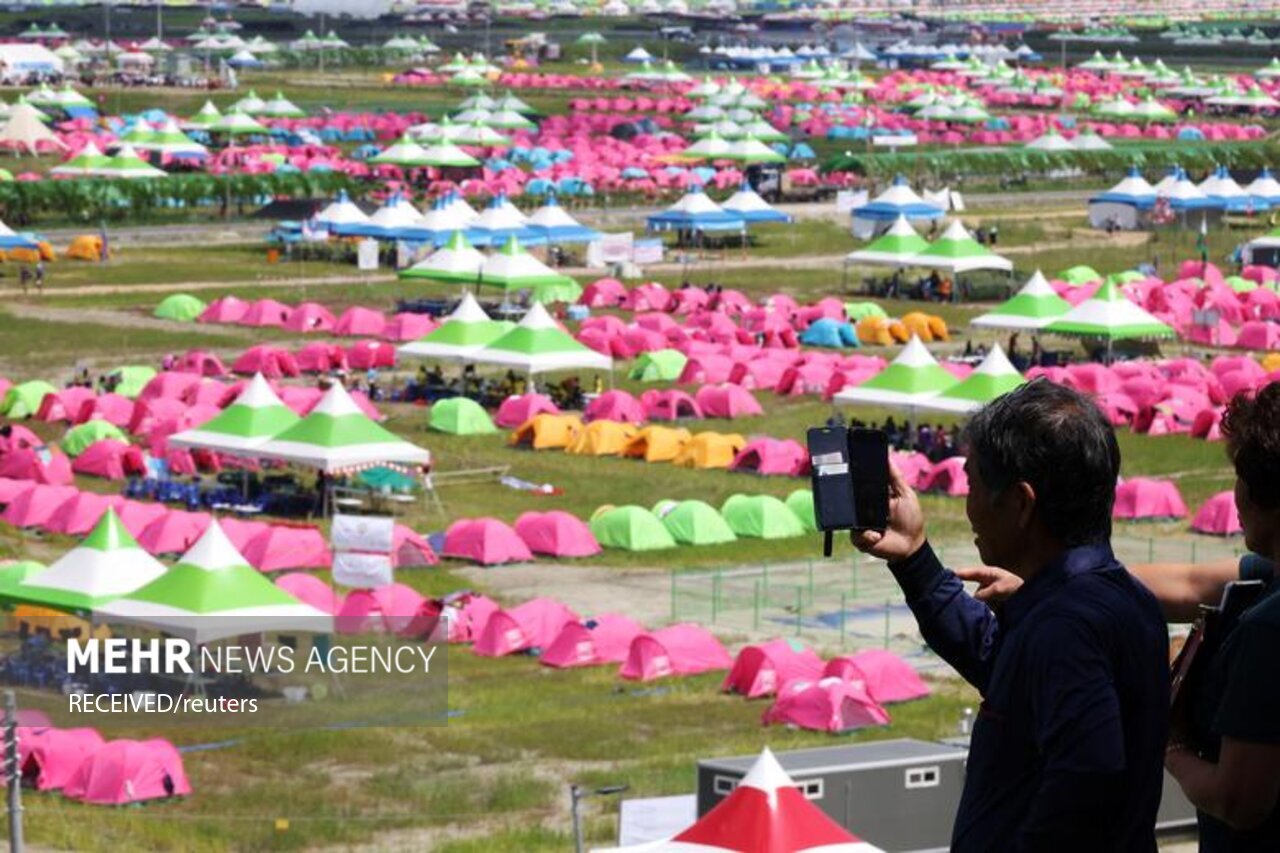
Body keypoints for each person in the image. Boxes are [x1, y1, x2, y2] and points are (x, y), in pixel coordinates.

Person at [853, 380, 1168, 851]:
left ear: (1020, 503)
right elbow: (1001, 663)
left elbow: (1087, 780)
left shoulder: (1066, 629)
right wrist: (914, 558)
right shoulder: (1119, 601)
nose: (970, 508)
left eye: (973, 485)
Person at [1166, 384, 1280, 850]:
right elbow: (1190, 582)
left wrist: (1170, 745)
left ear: (1260, 492)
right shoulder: (1267, 580)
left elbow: (1239, 801)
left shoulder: (1268, 629)